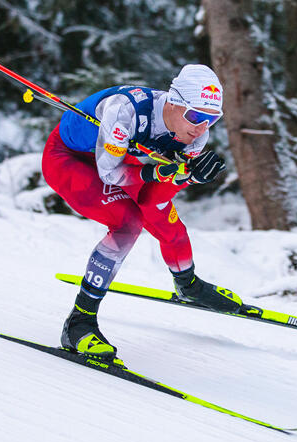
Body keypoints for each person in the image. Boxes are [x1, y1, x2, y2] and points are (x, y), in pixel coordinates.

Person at [41, 64, 243, 362]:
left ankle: (187, 284)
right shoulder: (125, 111)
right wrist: (162, 171)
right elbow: (108, 173)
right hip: (71, 159)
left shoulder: (195, 135)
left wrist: (188, 176)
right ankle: (79, 323)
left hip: (131, 164)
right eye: (197, 116)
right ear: (174, 102)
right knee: (127, 224)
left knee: (163, 217)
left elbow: (156, 196)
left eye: (212, 119)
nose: (202, 127)